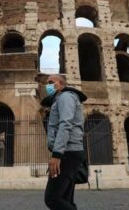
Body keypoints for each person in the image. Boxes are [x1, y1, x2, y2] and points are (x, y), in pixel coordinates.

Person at [43, 74, 87, 210]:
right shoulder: (60, 99)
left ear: (61, 84)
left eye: (51, 82)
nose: (48, 85)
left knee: (52, 198)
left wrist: (57, 155)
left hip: (67, 153)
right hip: (69, 152)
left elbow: (66, 124)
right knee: (65, 199)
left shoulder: (65, 97)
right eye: (47, 83)